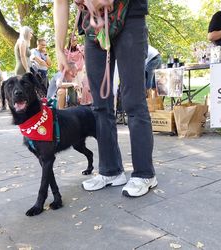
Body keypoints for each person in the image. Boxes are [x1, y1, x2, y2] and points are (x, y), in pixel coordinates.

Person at [54, 0, 157, 197]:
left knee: (133, 101)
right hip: (93, 26)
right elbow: (60, 2)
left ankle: (145, 174)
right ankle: (111, 171)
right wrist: (60, 50)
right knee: (100, 106)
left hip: (129, 16)